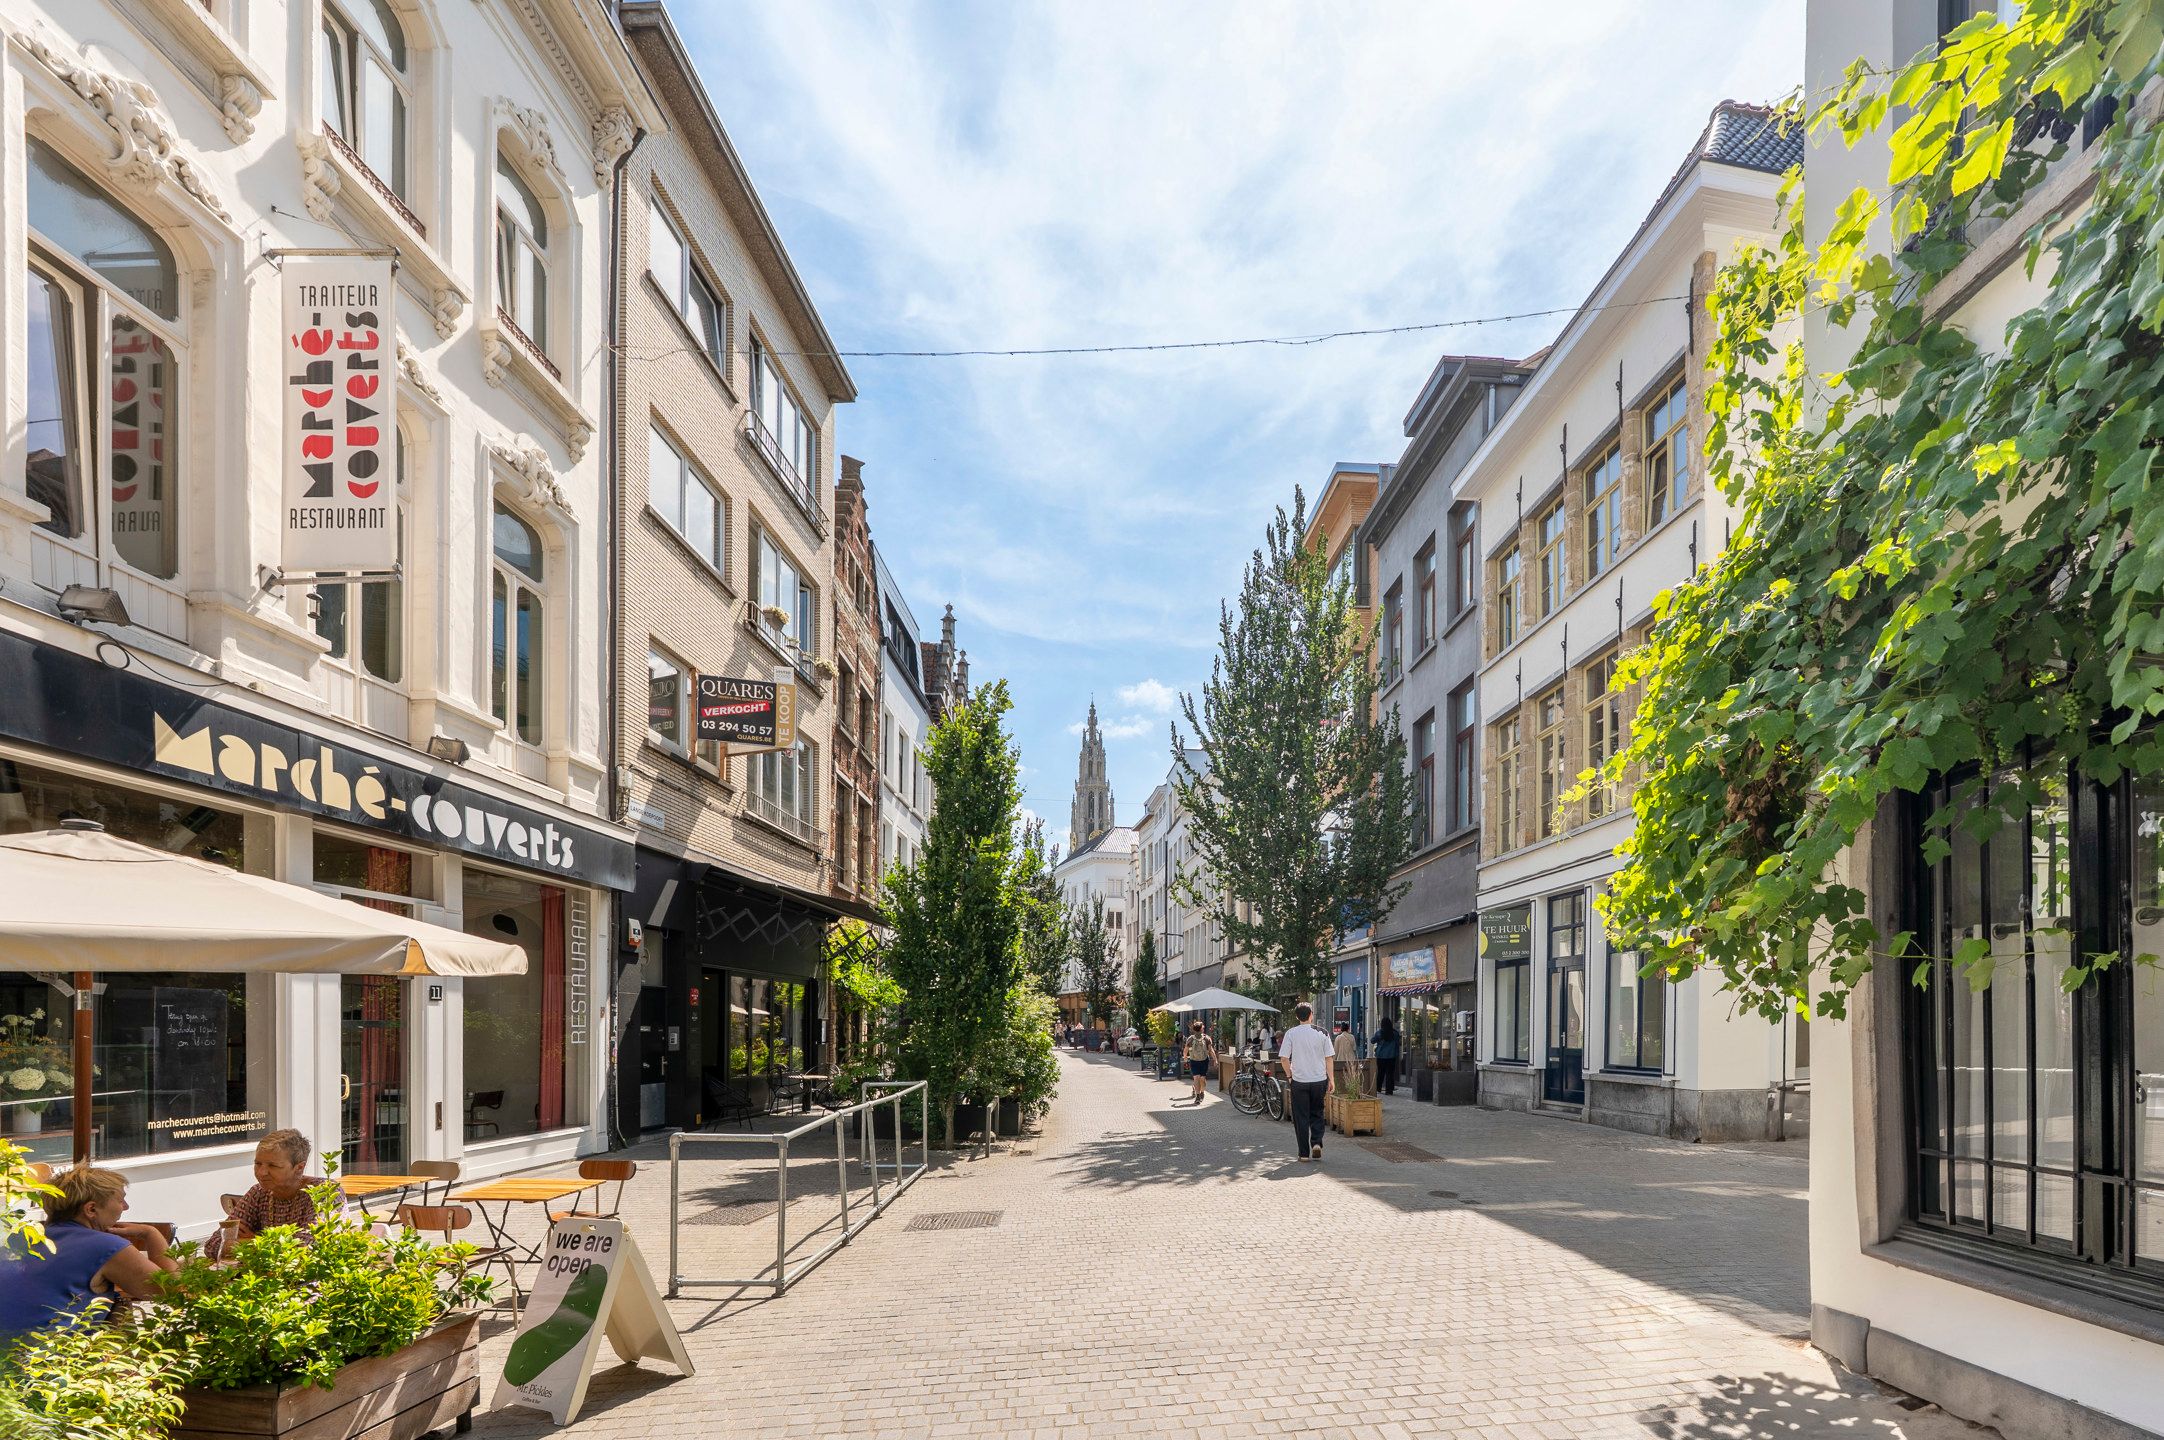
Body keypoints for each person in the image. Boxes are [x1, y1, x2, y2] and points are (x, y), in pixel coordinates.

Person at [0, 1165, 179, 1339]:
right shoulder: (106, 1246)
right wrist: (150, 1233)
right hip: (50, 1360)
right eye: (120, 1200)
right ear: (91, 1209)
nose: (125, 1207)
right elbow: (173, 1291)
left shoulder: (21, 1238)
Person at [205, 1128, 328, 1260]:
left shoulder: (323, 1193)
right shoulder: (258, 1192)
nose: (262, 1172)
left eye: (273, 1166)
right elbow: (213, 1245)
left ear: (299, 1168)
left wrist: (254, 1240)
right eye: (258, 1164)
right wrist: (264, 1246)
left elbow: (304, 1251)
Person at [1278, 1002, 1334, 1162]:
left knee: (1300, 1116)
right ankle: (1316, 1142)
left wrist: (1290, 1076)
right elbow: (1329, 1058)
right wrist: (1331, 1079)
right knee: (1317, 1112)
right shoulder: (1322, 1033)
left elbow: (1283, 1058)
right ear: (1311, 1014)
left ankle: (1303, 1154)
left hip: (1299, 1081)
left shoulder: (1291, 1033)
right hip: (1319, 1079)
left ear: (1297, 1016)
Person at [1182, 1020, 1217, 1104]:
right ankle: (1200, 1094)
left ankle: (1199, 1095)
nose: (1204, 1028)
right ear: (1201, 1029)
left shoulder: (1190, 1038)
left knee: (1197, 1078)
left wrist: (1185, 1057)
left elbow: (1185, 1049)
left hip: (1194, 1060)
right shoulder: (1207, 1038)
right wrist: (1215, 1060)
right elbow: (1211, 1050)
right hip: (1204, 1060)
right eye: (1203, 1027)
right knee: (1201, 1078)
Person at [1373, 1015, 1402, 1096]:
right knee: (1390, 1073)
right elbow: (1398, 1043)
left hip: (1381, 1056)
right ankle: (1389, 1090)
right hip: (1391, 1056)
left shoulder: (1379, 1033)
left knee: (1380, 1072)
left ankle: (1378, 1088)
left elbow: (1372, 1041)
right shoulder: (1395, 1033)